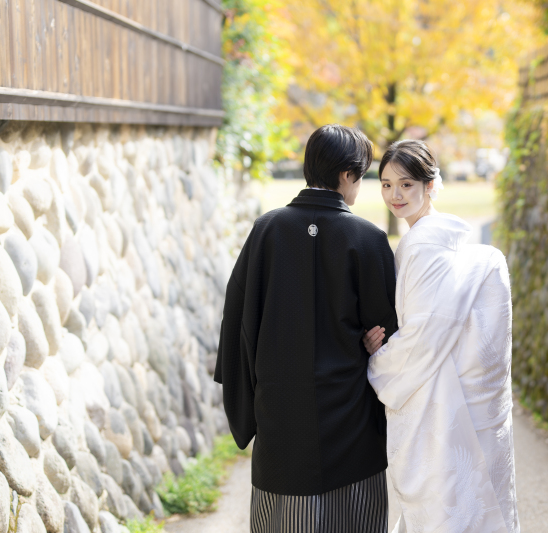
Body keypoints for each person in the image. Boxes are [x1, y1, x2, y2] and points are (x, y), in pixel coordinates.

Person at [215, 124, 398, 533]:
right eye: (363, 175)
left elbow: (238, 321)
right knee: (354, 520)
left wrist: (249, 404)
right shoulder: (368, 239)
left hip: (281, 416)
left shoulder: (266, 230)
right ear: (348, 174)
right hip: (351, 419)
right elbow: (390, 330)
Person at [363, 140, 519, 533]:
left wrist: (378, 359)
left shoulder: (424, 245)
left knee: (444, 506)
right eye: (385, 185)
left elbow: (423, 335)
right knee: (466, 503)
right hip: (459, 386)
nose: (394, 195)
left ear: (429, 186)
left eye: (406, 185)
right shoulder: (438, 239)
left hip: (439, 388)